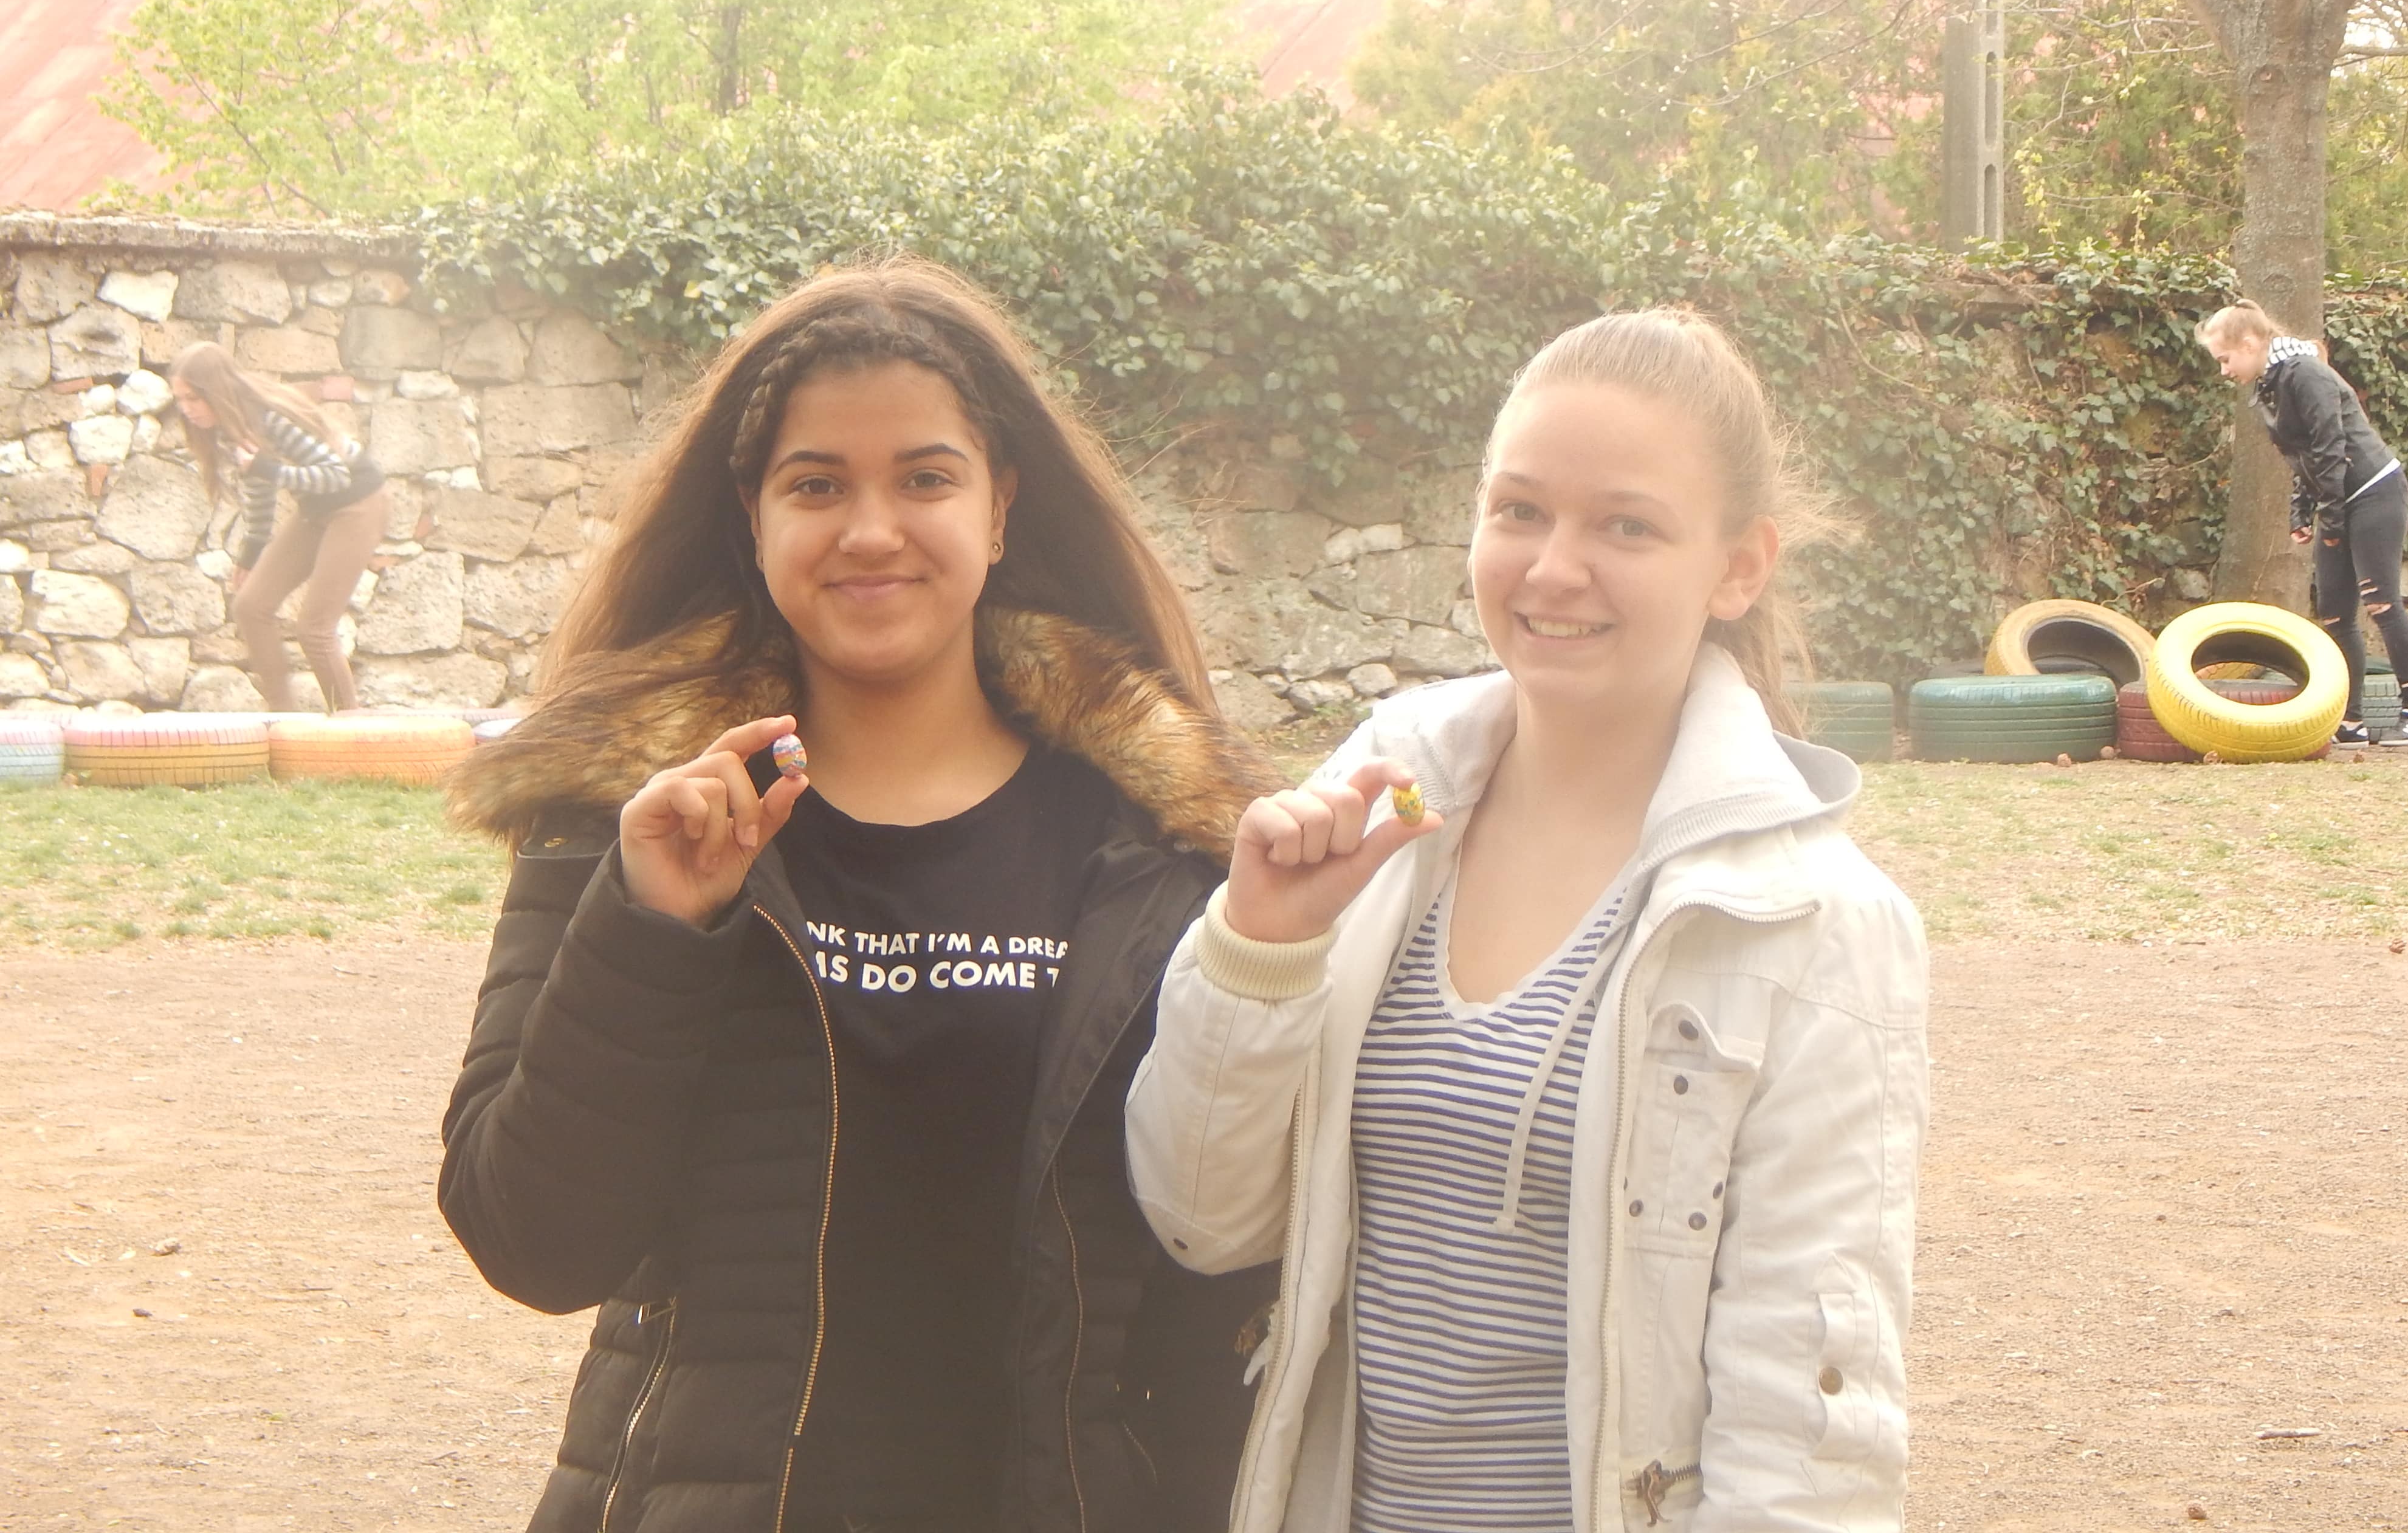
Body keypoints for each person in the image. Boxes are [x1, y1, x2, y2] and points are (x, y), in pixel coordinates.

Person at [439, 260, 1278, 1533]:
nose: (871, 530)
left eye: (926, 479)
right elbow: (533, 1243)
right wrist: (652, 926)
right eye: (817, 484)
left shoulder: (1162, 850)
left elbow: (1220, 1279)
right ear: (753, 516)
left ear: (999, 507)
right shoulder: (632, 821)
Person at [1126, 308, 1930, 1533]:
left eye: (1626, 525)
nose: (1553, 568)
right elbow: (1200, 1221)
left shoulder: (1815, 924)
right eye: (1519, 511)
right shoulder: (1382, 809)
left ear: (1739, 566)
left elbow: (1808, 1432)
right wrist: (1260, 949)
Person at [2195, 300, 2408, 746]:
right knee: (2334, 612)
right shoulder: (2270, 384)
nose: (2224, 371)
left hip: (2375, 491)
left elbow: (2331, 446)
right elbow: (2302, 454)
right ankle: (2351, 720)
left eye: (2226, 359)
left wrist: (2333, 518)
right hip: (2338, 496)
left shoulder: (2306, 374)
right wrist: (2302, 513)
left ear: (2249, 344)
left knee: (2380, 602)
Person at [167, 340, 390, 713]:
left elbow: (335, 476)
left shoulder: (269, 417)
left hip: (358, 504)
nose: (186, 409)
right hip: (316, 508)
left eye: (193, 398)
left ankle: (351, 722)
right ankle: (283, 718)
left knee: (314, 628)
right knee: (250, 606)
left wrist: (266, 469)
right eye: (180, 400)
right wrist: (252, 550)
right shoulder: (231, 425)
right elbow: (259, 485)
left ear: (216, 391)